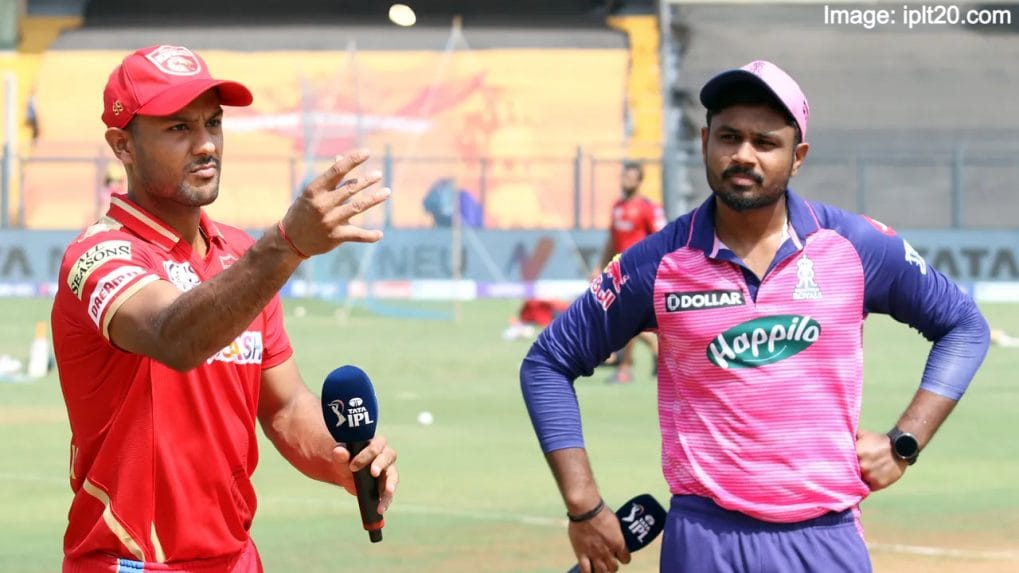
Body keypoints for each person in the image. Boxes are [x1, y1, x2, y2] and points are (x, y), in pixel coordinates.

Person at [520, 60, 990, 573]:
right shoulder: (657, 263)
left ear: (797, 157)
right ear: (705, 142)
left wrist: (904, 443)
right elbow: (548, 362)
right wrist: (584, 506)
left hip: (825, 538)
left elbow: (964, 326)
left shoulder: (854, 246)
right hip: (704, 541)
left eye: (765, 142)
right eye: (729, 137)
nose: (743, 155)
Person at [51, 45, 398, 572]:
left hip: (236, 559)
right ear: (122, 145)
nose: (206, 144)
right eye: (178, 128)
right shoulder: (98, 256)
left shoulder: (240, 255)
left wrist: (341, 458)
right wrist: (285, 245)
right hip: (130, 563)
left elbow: (284, 406)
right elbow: (173, 335)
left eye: (213, 123)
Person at [594, 162, 665, 383]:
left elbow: (661, 239)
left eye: (631, 177)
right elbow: (611, 240)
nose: (626, 180)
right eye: (624, 176)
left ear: (639, 181)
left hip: (640, 272)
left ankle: (625, 368)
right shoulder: (617, 206)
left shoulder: (648, 207)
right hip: (618, 271)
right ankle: (656, 349)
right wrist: (600, 267)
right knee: (622, 319)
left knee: (626, 319)